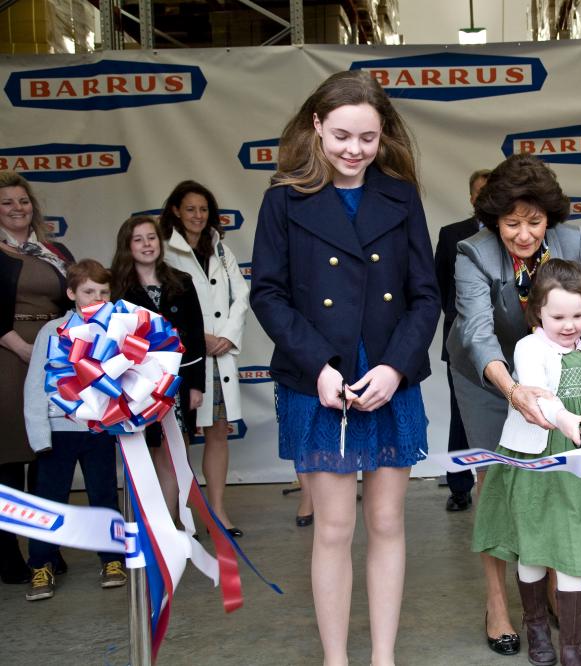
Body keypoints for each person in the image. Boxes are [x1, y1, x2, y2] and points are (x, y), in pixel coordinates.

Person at [249, 70, 439, 665]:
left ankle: (382, 657)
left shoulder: (401, 196)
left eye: (368, 138)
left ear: (384, 136)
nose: (354, 150)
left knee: (386, 523)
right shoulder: (282, 197)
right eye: (341, 136)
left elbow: (425, 295)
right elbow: (268, 294)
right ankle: (337, 660)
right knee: (333, 529)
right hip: (321, 381)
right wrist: (320, 369)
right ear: (315, 127)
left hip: (386, 378)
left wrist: (396, 369)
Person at [446, 153, 581, 657]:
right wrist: (513, 391)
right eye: (511, 223)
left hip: (555, 369)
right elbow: (476, 332)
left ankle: (553, 589)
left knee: (554, 479)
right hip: (489, 379)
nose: (524, 234)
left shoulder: (575, 243)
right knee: (500, 486)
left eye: (534, 222)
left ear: (550, 218)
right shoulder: (473, 252)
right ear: (494, 221)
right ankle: (497, 603)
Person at [472, 258, 581, 666]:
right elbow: (541, 400)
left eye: (578, 315)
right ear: (537, 312)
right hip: (538, 463)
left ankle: (571, 647)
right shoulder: (530, 348)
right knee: (534, 550)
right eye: (558, 316)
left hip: (578, 468)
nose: (569, 325)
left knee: (572, 551)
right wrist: (564, 419)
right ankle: (536, 631)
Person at [23, 259, 127, 601]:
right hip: (57, 431)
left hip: (98, 430)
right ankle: (41, 563)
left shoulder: (118, 331)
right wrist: (40, 437)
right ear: (71, 293)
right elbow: (36, 385)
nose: (96, 297)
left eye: (103, 292)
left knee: (103, 496)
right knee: (50, 500)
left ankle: (112, 560)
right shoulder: (51, 332)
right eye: (88, 292)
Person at [161, 180, 250, 537]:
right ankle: (179, 514)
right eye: (190, 209)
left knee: (217, 434)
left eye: (203, 209)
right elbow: (160, 307)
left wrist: (227, 335)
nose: (198, 216)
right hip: (182, 359)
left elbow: (240, 295)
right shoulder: (165, 251)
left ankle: (217, 513)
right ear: (175, 212)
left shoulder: (220, 248)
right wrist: (198, 338)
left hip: (219, 355)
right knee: (178, 436)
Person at [0, 171, 74, 585]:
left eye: (23, 201)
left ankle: (45, 550)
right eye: (7, 202)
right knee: (11, 458)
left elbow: (77, 295)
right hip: (10, 356)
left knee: (47, 455)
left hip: (54, 356)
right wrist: (22, 348)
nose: (17, 208)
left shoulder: (53, 250)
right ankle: (8, 553)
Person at [111, 216, 206, 519]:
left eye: (151, 237)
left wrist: (196, 385)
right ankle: (146, 523)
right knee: (144, 452)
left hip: (175, 386)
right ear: (127, 246)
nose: (146, 244)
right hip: (134, 387)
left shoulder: (181, 282)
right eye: (138, 239)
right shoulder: (117, 288)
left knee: (173, 451)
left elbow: (195, 337)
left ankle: (171, 520)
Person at [435, 168, 491, 512]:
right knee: (461, 417)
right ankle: (459, 487)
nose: (484, 197)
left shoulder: (510, 230)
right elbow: (440, 285)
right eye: (479, 192)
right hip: (460, 343)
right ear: (471, 198)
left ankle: (503, 481)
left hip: (504, 343)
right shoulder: (452, 234)